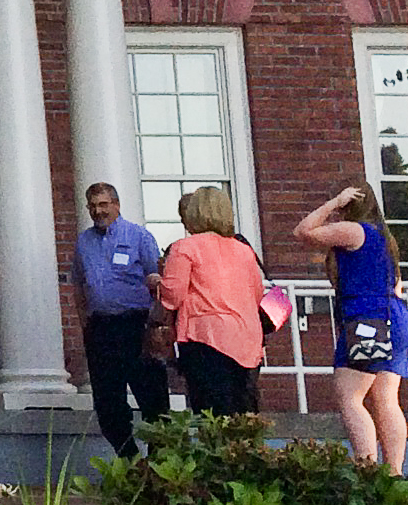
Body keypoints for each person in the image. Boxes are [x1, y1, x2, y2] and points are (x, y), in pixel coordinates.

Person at [294, 180, 408, 473]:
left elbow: (303, 231)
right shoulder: (384, 237)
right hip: (394, 318)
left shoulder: (354, 230)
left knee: (350, 397)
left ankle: (367, 470)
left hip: (366, 321)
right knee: (386, 399)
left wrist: (333, 203)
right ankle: (395, 474)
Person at [68, 180, 167, 458]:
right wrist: (84, 322)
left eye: (103, 204)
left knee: (152, 399)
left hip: (136, 326)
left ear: (117, 205)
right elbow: (77, 284)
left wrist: (157, 326)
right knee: (108, 403)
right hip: (101, 329)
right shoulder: (84, 242)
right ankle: (131, 462)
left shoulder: (139, 237)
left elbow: (159, 284)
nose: (98, 211)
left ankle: (160, 465)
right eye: (93, 206)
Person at [155, 183, 266, 415]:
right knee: (242, 411)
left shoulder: (184, 248)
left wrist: (155, 283)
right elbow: (256, 295)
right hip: (247, 338)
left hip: (205, 338)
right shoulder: (244, 250)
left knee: (211, 414)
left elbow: (172, 297)